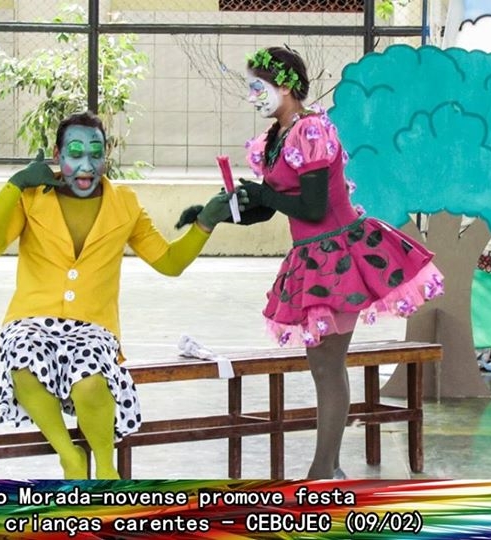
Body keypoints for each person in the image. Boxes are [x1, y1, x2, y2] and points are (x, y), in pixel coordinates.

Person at [178, 46, 444, 479]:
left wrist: (265, 195)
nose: (252, 97)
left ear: (285, 86)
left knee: (326, 364)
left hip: (340, 254)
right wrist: (213, 213)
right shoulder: (274, 139)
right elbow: (268, 209)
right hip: (313, 256)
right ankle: (328, 469)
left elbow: (314, 206)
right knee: (324, 364)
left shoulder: (312, 130)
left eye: (258, 88)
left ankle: (323, 471)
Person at [0, 110, 238, 479]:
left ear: (106, 155)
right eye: (75, 153)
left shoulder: (124, 204)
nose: (86, 165)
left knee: (90, 380)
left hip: (93, 325)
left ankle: (107, 472)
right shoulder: (32, 197)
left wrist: (205, 222)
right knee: (23, 364)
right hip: (30, 320)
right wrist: (15, 184)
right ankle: (71, 457)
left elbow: (169, 262)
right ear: (57, 154)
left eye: (95, 154)